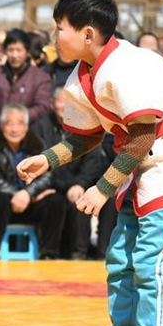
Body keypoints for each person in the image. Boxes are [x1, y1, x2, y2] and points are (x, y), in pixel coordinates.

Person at [16, 0, 163, 326]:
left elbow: (142, 136)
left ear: (87, 33)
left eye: (59, 28)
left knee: (152, 264)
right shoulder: (79, 77)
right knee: (121, 261)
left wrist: (101, 189)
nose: (55, 36)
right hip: (135, 170)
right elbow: (84, 138)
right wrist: (47, 158)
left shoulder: (128, 64)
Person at [32, 87, 107, 259]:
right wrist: (49, 186)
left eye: (69, 102)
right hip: (50, 186)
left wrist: (80, 184)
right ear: (52, 104)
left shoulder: (87, 126)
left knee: (82, 202)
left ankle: (78, 254)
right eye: (60, 101)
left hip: (79, 186)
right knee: (54, 201)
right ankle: (48, 254)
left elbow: (93, 162)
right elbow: (39, 160)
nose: (64, 106)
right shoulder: (40, 128)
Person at [0, 104, 62, 258]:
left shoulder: (37, 145)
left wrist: (28, 194)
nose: (14, 129)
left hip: (31, 203)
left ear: (26, 127)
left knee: (56, 201)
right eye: (9, 123)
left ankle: (49, 254)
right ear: (2, 126)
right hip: (5, 205)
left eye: (19, 123)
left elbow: (47, 175)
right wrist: (20, 196)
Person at [0, 29, 51, 124]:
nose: (14, 55)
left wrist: (20, 120)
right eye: (10, 50)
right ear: (5, 51)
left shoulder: (41, 77)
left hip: (29, 130)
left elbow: (42, 106)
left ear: (27, 52)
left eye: (19, 50)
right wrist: (2, 121)